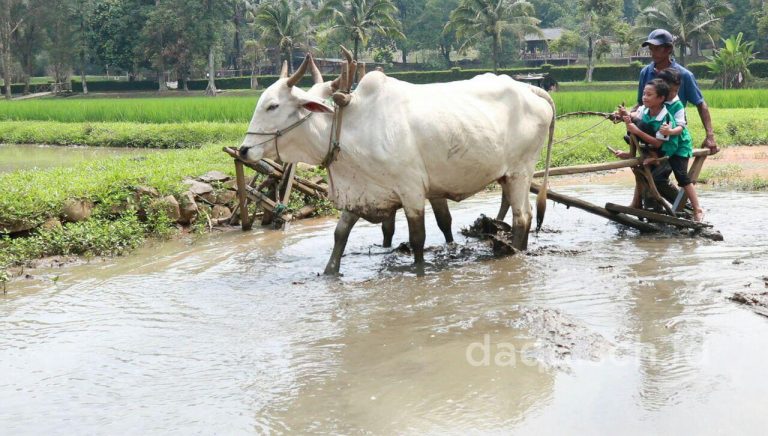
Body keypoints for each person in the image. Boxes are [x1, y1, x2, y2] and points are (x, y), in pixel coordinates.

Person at [616, 79, 705, 221]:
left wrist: (637, 131)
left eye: (649, 95)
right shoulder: (645, 109)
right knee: (636, 126)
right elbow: (633, 118)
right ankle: (647, 203)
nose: (644, 97)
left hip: (675, 149)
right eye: (644, 94)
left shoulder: (665, 118)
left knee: (682, 177)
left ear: (661, 98)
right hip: (661, 148)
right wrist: (623, 115)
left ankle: (696, 208)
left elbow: (658, 143)